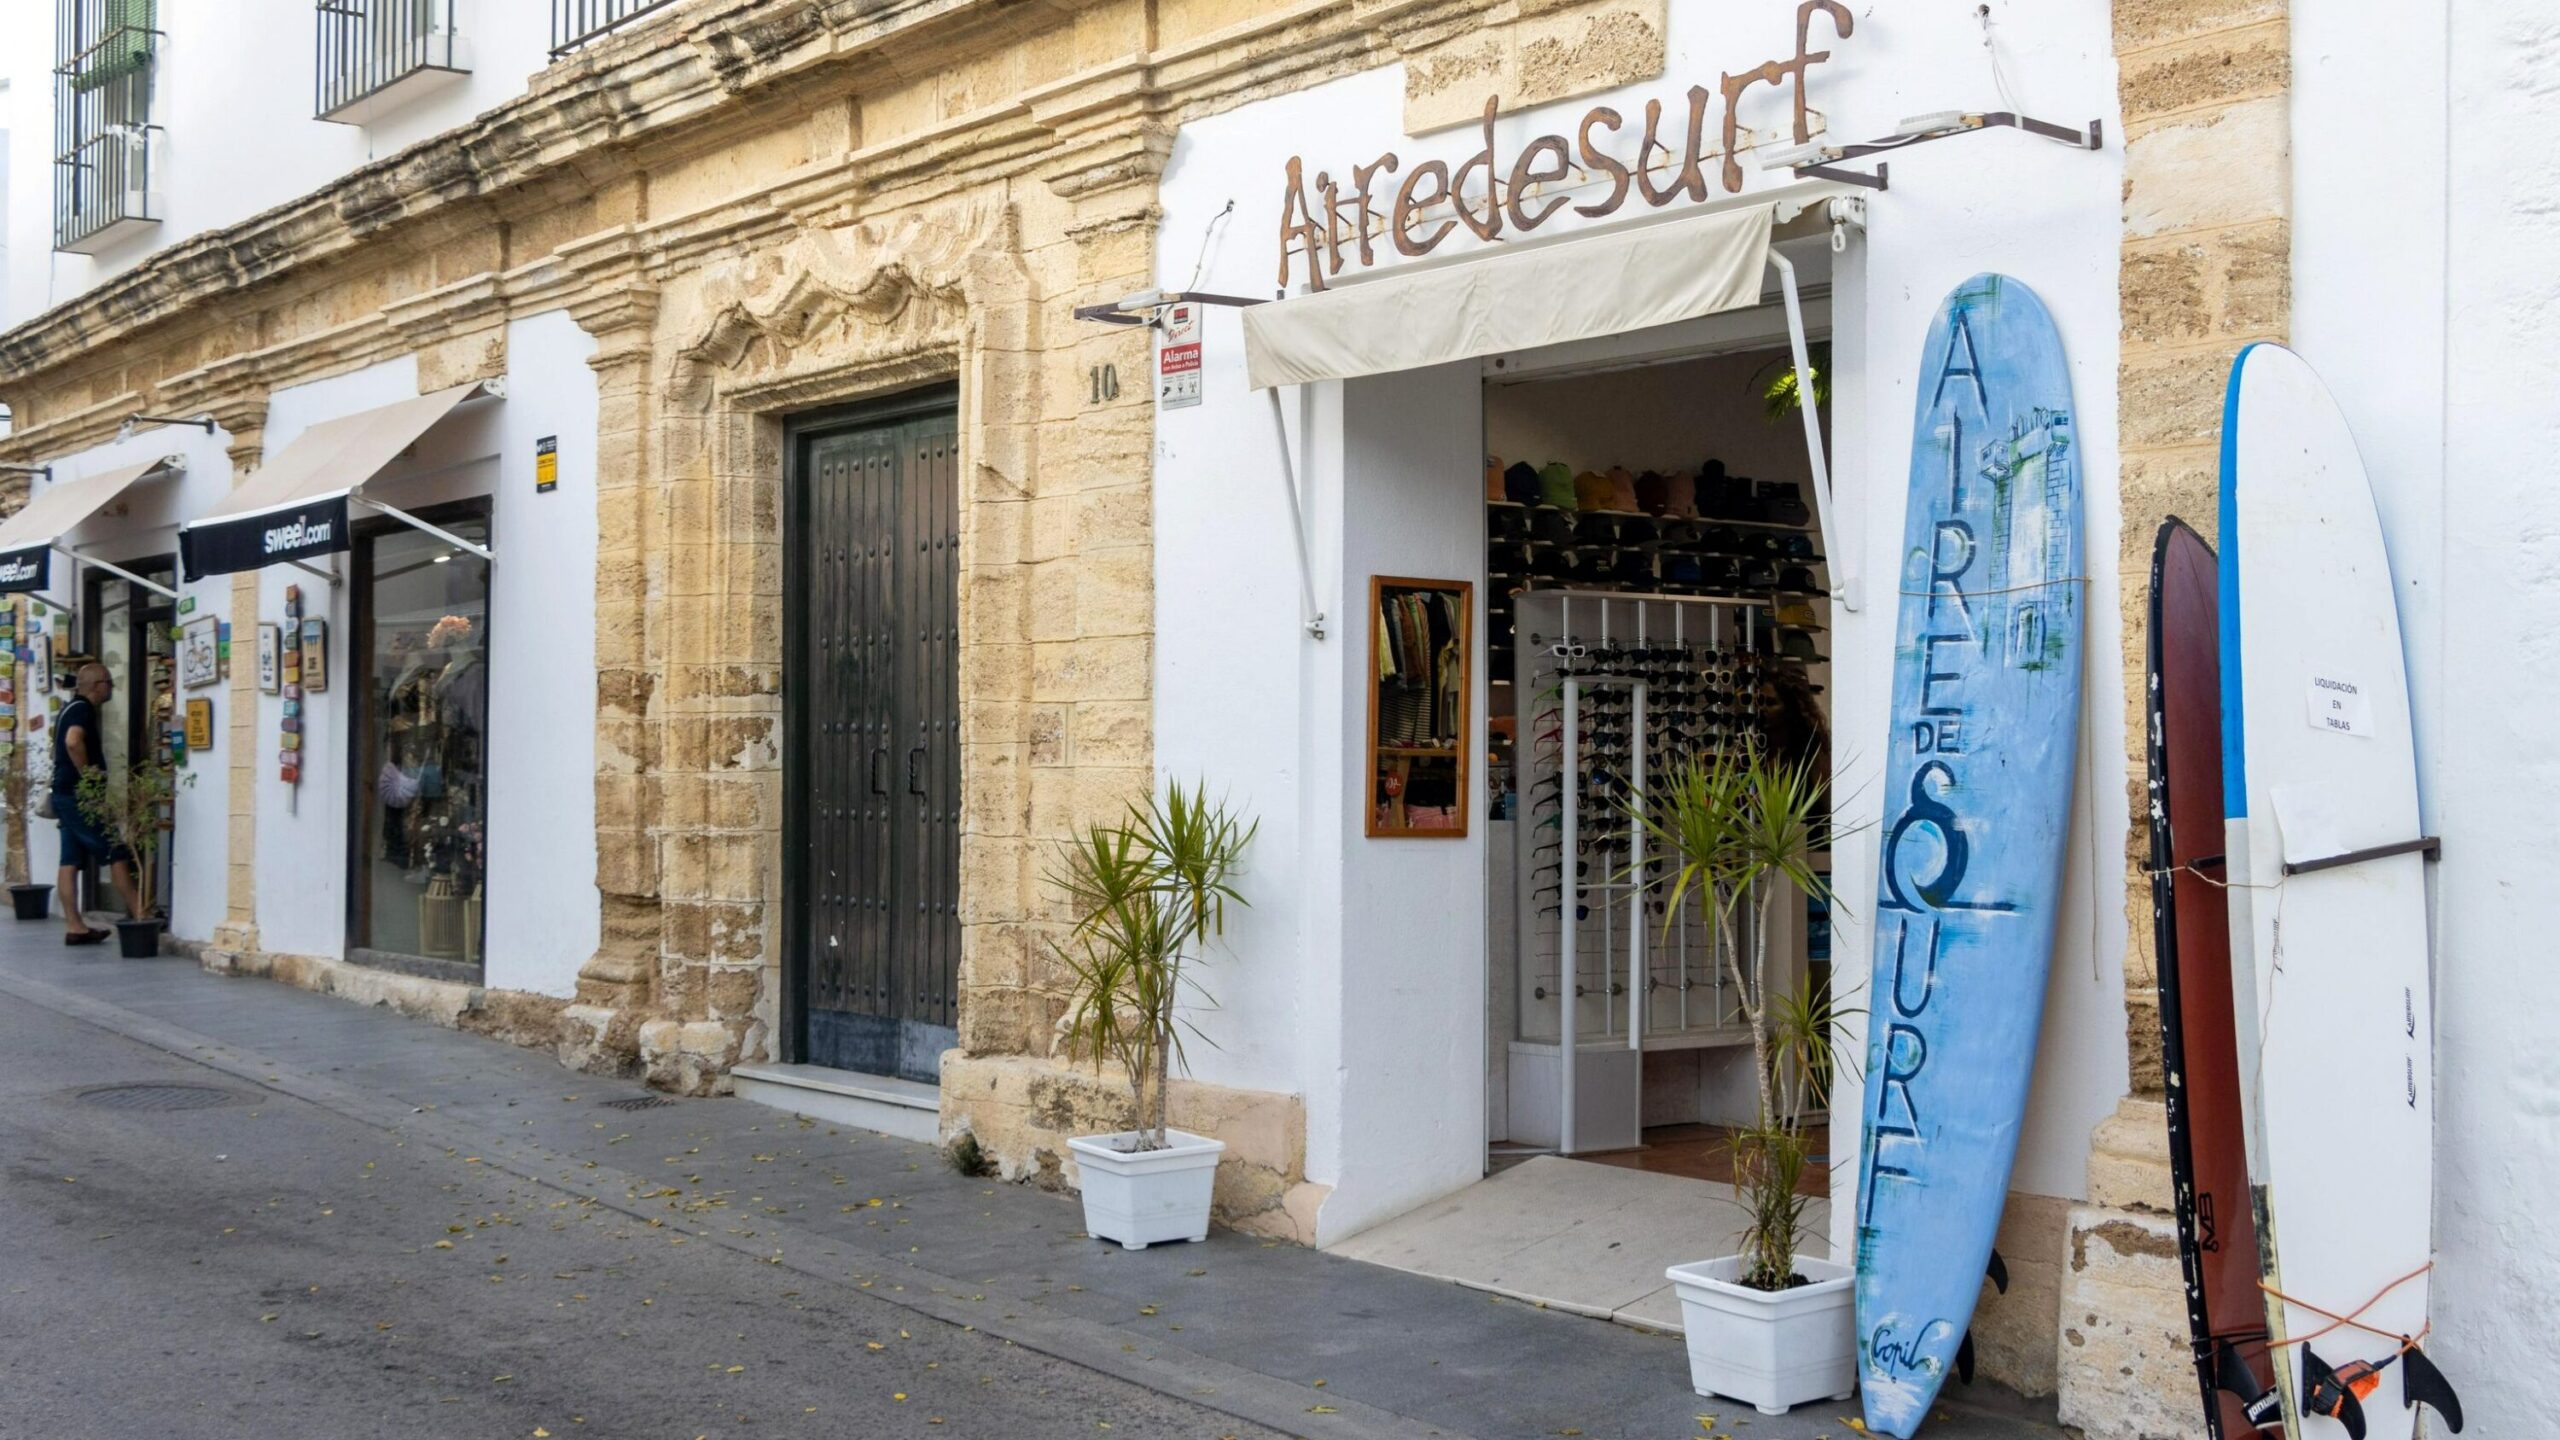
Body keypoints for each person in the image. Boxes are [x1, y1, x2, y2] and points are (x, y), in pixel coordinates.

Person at [55, 661, 146, 944]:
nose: (112, 688)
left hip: (65, 794)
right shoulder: (82, 710)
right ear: (97, 686)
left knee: (69, 859)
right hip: (78, 796)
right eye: (109, 682)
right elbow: (73, 742)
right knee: (115, 850)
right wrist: (89, 777)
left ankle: (75, 926)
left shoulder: (67, 709)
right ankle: (142, 915)